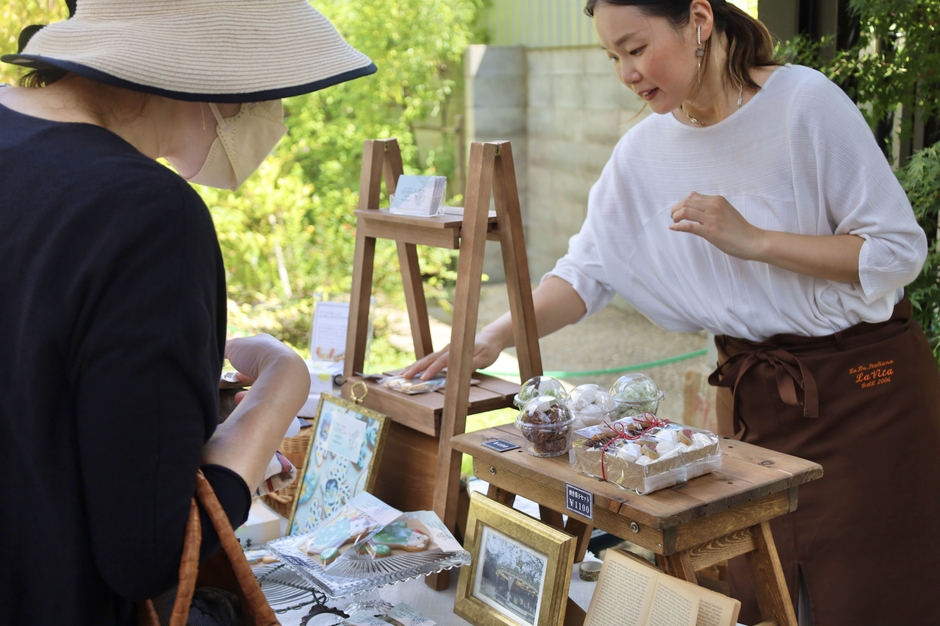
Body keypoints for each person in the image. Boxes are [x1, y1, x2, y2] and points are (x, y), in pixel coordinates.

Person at [403, 0, 940, 623]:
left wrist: (756, 240)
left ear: (699, 21)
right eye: (613, 57)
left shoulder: (803, 104)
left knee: (871, 594)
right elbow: (588, 271)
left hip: (864, 398)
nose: (626, 72)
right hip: (751, 400)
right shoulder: (643, 152)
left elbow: (897, 252)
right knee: (757, 590)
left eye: (635, 48)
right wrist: (495, 335)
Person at [0, 1, 376, 625]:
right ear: (220, 71)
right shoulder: (146, 215)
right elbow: (149, 552)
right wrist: (279, 389)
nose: (272, 111)